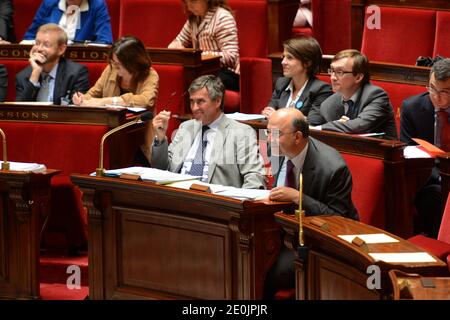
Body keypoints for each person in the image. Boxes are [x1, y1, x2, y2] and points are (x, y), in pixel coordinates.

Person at [264, 108, 358, 299]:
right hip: (275, 230)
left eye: (276, 134)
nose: (268, 139)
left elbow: (338, 219)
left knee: (265, 273)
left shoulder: (333, 168)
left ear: (297, 137)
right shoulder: (274, 148)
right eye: (267, 132)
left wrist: (298, 198)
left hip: (313, 241)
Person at [148, 75, 266, 189]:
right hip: (178, 196)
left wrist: (241, 204)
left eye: (200, 102)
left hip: (215, 202)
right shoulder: (185, 128)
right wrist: (160, 138)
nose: (194, 108)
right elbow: (161, 168)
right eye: (192, 101)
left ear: (218, 101)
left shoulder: (241, 133)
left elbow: (254, 176)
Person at [400, 58, 450, 238]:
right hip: (429, 177)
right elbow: (408, 150)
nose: (436, 96)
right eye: (432, 88)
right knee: (432, 196)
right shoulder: (412, 108)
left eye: (444, 91)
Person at [307, 49, 398, 140]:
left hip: (380, 152)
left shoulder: (376, 96)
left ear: (358, 77)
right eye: (332, 71)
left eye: (339, 72)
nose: (333, 77)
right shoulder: (329, 104)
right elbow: (312, 125)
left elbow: (359, 125)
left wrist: (322, 128)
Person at [168, 0, 240, 92]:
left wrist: (198, 57)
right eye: (187, 2)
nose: (189, 6)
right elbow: (176, 42)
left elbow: (231, 56)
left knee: (198, 82)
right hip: (203, 72)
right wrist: (174, 47)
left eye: (193, 1)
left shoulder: (223, 17)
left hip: (226, 73)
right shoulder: (194, 19)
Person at [72, 36, 159, 109]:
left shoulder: (150, 74)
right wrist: (83, 99)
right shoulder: (111, 68)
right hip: (110, 122)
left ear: (132, 63)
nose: (115, 66)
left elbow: (146, 100)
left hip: (137, 126)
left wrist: (109, 101)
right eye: (113, 61)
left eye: (118, 63)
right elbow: (94, 93)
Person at [16, 23, 90, 104]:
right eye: (37, 43)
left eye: (46, 45)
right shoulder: (24, 76)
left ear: (61, 49)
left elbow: (78, 108)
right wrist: (35, 74)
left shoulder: (76, 73)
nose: (39, 49)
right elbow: (21, 111)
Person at [262, 36, 332, 118]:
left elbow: (313, 122)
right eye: (283, 57)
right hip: (276, 131)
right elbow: (267, 116)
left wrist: (277, 117)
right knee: (252, 130)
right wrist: (267, 127)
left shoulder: (322, 90)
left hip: (301, 131)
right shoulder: (281, 84)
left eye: (289, 58)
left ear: (307, 62)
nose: (283, 62)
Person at [22, 0, 113, 44]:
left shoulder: (97, 5)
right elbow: (30, 37)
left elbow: (105, 41)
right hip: (47, 59)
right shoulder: (49, 3)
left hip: (78, 63)